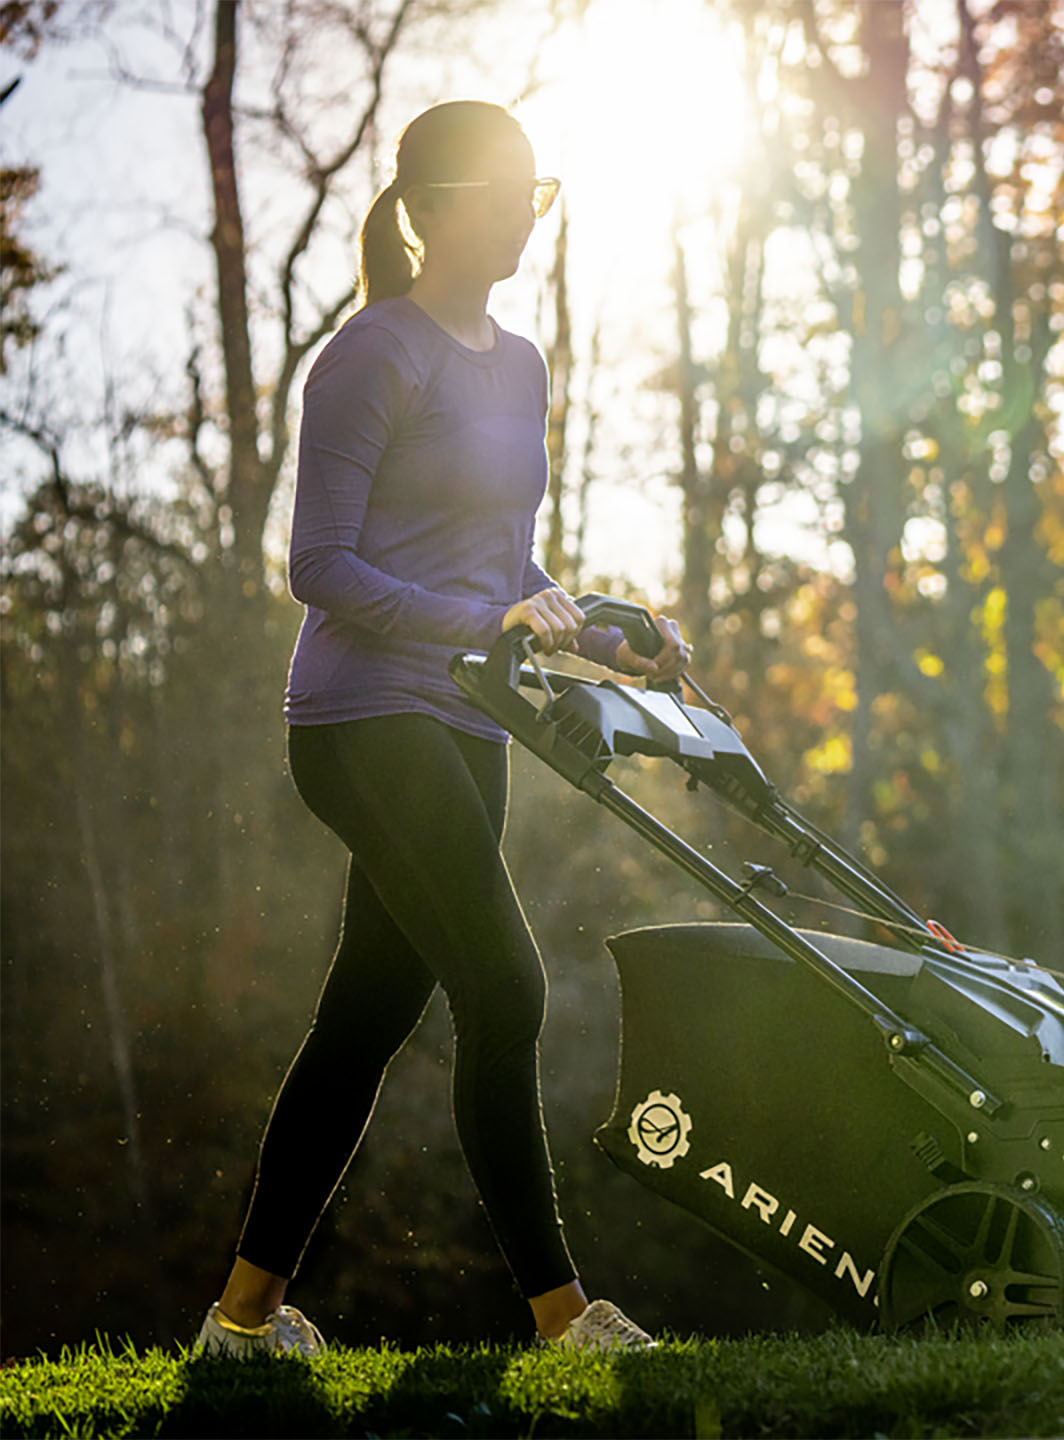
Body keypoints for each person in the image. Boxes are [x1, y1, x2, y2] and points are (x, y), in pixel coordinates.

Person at [194, 100, 689, 1357]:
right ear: (448, 204)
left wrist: (600, 634)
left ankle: (242, 1323)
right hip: (360, 718)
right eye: (519, 187)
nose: (535, 208)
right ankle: (562, 1318)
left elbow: (505, 559)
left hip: (464, 719)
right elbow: (320, 566)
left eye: (544, 185)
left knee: (364, 1016)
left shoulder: (516, 361)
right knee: (506, 985)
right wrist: (487, 616)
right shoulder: (371, 355)